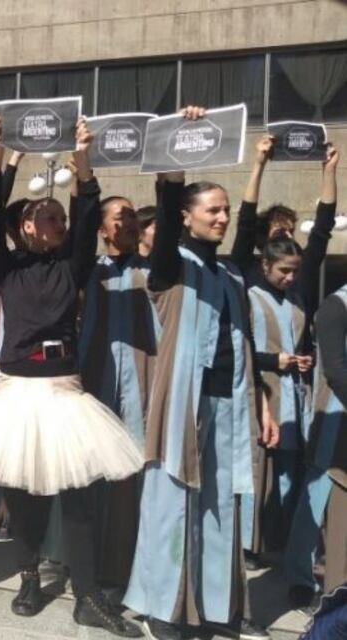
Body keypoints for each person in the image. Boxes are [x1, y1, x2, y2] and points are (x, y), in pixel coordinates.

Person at [0, 115, 143, 637]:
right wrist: (1, 153)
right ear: (25, 228)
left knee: (76, 500)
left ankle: (87, 596)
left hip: (64, 392)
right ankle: (30, 576)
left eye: (58, 215)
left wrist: (82, 157)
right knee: (27, 497)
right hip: (18, 393)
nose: (56, 220)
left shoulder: (71, 267)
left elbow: (85, 215)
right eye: (44, 215)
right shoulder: (6, 268)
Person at [122, 107, 279, 640]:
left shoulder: (230, 272)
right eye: (213, 210)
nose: (222, 217)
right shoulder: (171, 266)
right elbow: (165, 223)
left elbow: (246, 344)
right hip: (180, 409)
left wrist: (259, 401)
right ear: (188, 217)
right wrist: (174, 152)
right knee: (171, 508)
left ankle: (214, 609)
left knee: (218, 511)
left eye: (226, 210)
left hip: (228, 405)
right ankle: (161, 613)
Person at [232, 137, 337, 564]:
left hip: (295, 395)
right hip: (258, 393)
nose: (288, 240)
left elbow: (325, 226)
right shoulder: (243, 282)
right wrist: (258, 163)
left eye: (291, 233)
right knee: (257, 475)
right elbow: (242, 225)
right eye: (278, 233)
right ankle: (249, 545)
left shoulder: (298, 286)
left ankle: (287, 549)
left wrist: (329, 170)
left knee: (293, 475)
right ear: (264, 254)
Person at [77, 193, 160, 589]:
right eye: (118, 215)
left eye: (132, 215)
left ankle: (132, 568)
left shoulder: (155, 273)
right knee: (94, 478)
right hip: (95, 389)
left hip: (142, 388)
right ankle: (90, 566)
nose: (128, 222)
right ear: (101, 228)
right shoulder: (88, 273)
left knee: (136, 478)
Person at [284, 150, 344, 609]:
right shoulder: (334, 306)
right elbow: (336, 369)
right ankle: (301, 575)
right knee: (317, 487)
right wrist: (328, 173)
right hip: (328, 409)